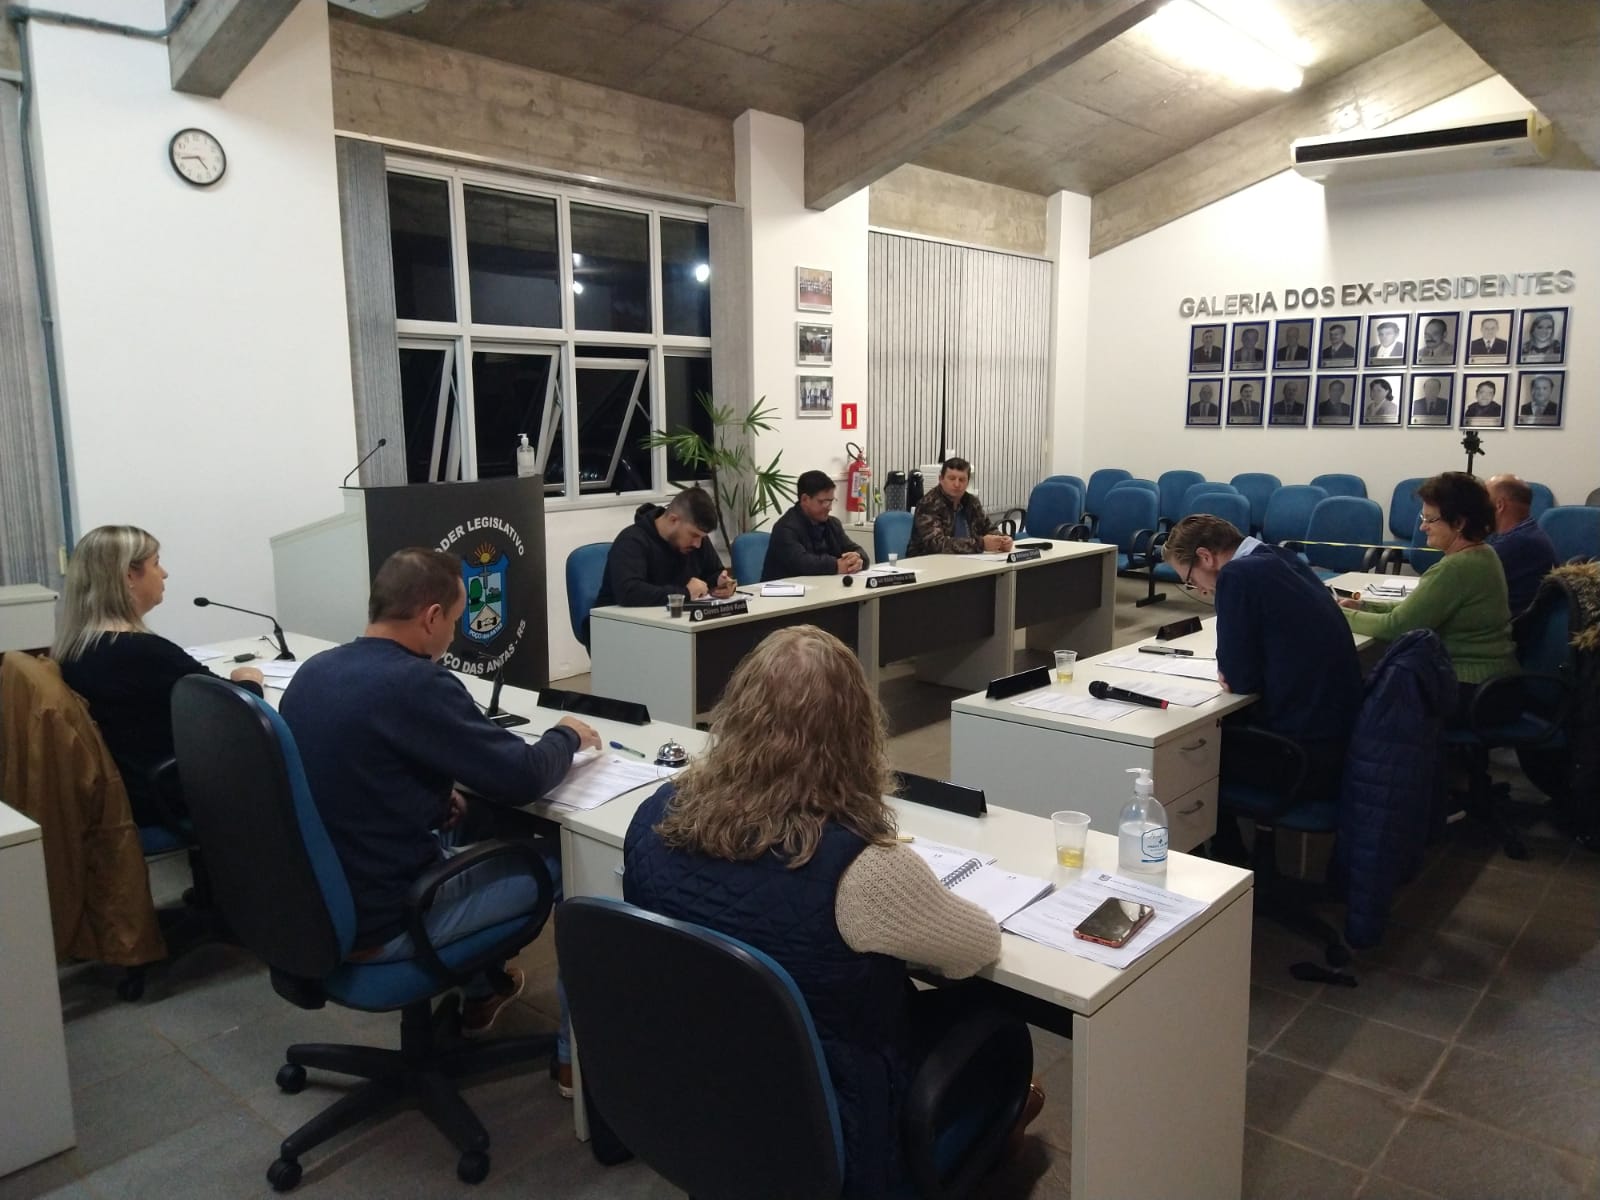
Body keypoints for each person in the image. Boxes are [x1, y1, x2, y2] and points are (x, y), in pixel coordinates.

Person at [622, 625, 1042, 1196]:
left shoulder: (652, 819)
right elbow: (976, 949)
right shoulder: (864, 873)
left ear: (736, 713)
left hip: (699, 1096)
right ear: (857, 733)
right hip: (837, 1138)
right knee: (988, 1014)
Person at [280, 548, 601, 1058]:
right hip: (390, 920)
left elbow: (353, 773)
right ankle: (575, 1059)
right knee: (570, 859)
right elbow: (521, 777)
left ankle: (482, 993)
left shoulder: (313, 673)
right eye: (453, 620)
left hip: (319, 906)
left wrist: (430, 794)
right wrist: (566, 736)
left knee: (476, 820)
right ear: (431, 617)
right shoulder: (416, 683)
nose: (453, 635)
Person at [1161, 516, 1363, 856]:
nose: (1201, 590)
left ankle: (1224, 864)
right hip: (1337, 743)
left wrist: (1238, 667)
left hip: (1301, 757)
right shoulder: (1280, 557)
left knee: (1184, 760)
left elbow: (1238, 679)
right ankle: (1231, 855)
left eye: (1190, 580)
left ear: (1205, 557)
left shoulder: (1237, 576)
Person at [54, 525, 265, 828]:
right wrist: (249, 679)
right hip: (165, 799)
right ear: (129, 576)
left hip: (125, 792)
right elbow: (240, 712)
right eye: (156, 564)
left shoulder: (74, 648)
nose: (164, 574)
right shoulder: (143, 653)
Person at [1338, 473, 1517, 711]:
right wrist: (1364, 606)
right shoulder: (1483, 554)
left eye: (1430, 519)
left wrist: (1338, 613)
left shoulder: (1455, 568)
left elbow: (1395, 627)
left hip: (1470, 689)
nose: (1423, 527)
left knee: (1352, 693)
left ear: (1459, 523)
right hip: (1494, 684)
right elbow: (1417, 610)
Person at [591, 486, 733, 638]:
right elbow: (629, 592)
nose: (698, 544)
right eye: (694, 535)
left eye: (702, 537)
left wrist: (720, 582)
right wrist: (684, 594)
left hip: (674, 627)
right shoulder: (632, 540)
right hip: (619, 630)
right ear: (673, 520)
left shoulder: (697, 541)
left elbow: (712, 572)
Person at [762, 470, 871, 579]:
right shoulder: (785, 528)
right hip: (788, 588)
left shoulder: (833, 524)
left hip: (824, 586)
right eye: (824, 502)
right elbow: (802, 563)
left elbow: (856, 550)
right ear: (805, 499)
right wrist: (836, 566)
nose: (830, 507)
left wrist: (857, 559)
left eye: (831, 501)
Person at [1485, 474, 1559, 616]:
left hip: (1513, 625)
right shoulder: (1527, 532)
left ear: (1499, 505)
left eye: (1483, 501)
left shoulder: (1516, 544)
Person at [906, 457, 1012, 555]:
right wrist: (981, 544)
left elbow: (988, 528)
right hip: (927, 563)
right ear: (941, 479)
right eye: (952, 479)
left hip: (967, 561)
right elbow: (936, 544)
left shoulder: (972, 502)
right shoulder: (928, 504)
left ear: (968, 482)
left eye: (962, 480)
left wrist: (1002, 540)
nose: (957, 484)